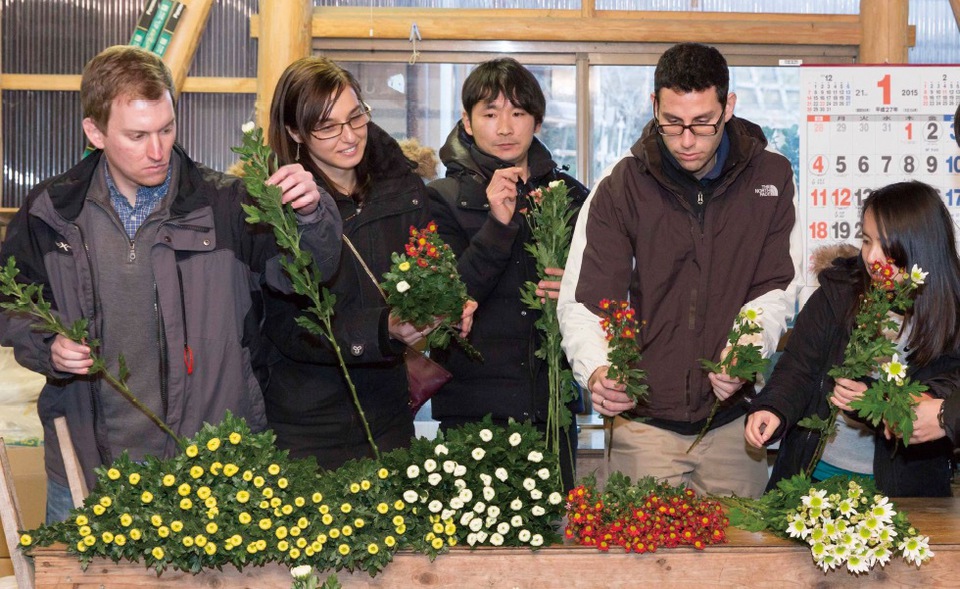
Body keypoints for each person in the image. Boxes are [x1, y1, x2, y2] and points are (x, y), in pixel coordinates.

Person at [0, 46, 342, 522]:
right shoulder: (51, 212)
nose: (157, 150)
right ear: (95, 132)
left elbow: (308, 275)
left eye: (166, 128)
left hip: (215, 474)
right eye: (137, 136)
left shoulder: (228, 206)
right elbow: (9, 303)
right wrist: (46, 344)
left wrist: (311, 216)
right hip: (86, 473)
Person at [557, 42, 801, 497]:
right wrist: (596, 370)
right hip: (644, 425)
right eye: (672, 123)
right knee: (642, 544)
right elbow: (585, 300)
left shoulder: (772, 177)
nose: (687, 140)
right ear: (654, 106)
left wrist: (745, 352)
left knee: (743, 544)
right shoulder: (621, 185)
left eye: (703, 123)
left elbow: (776, 286)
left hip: (734, 425)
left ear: (728, 106)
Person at [261, 57, 475, 469]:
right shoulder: (278, 206)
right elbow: (286, 326)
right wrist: (383, 328)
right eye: (327, 127)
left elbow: (427, 266)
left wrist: (446, 302)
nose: (349, 136)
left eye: (356, 117)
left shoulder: (403, 186)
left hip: (389, 412)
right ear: (295, 132)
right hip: (308, 423)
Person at [427, 57, 589, 490]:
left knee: (556, 531)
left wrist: (576, 289)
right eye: (490, 114)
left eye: (517, 113)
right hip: (471, 410)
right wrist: (498, 226)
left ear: (537, 121)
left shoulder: (570, 196)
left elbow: (608, 294)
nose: (504, 128)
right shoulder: (441, 199)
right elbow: (444, 306)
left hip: (551, 408)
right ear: (467, 121)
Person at [745, 181, 960, 496]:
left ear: (920, 247)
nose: (872, 257)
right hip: (815, 477)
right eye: (866, 240)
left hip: (904, 490)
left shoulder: (950, 314)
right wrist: (773, 407)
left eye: (887, 245)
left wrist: (873, 401)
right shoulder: (838, 292)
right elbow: (798, 368)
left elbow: (943, 394)